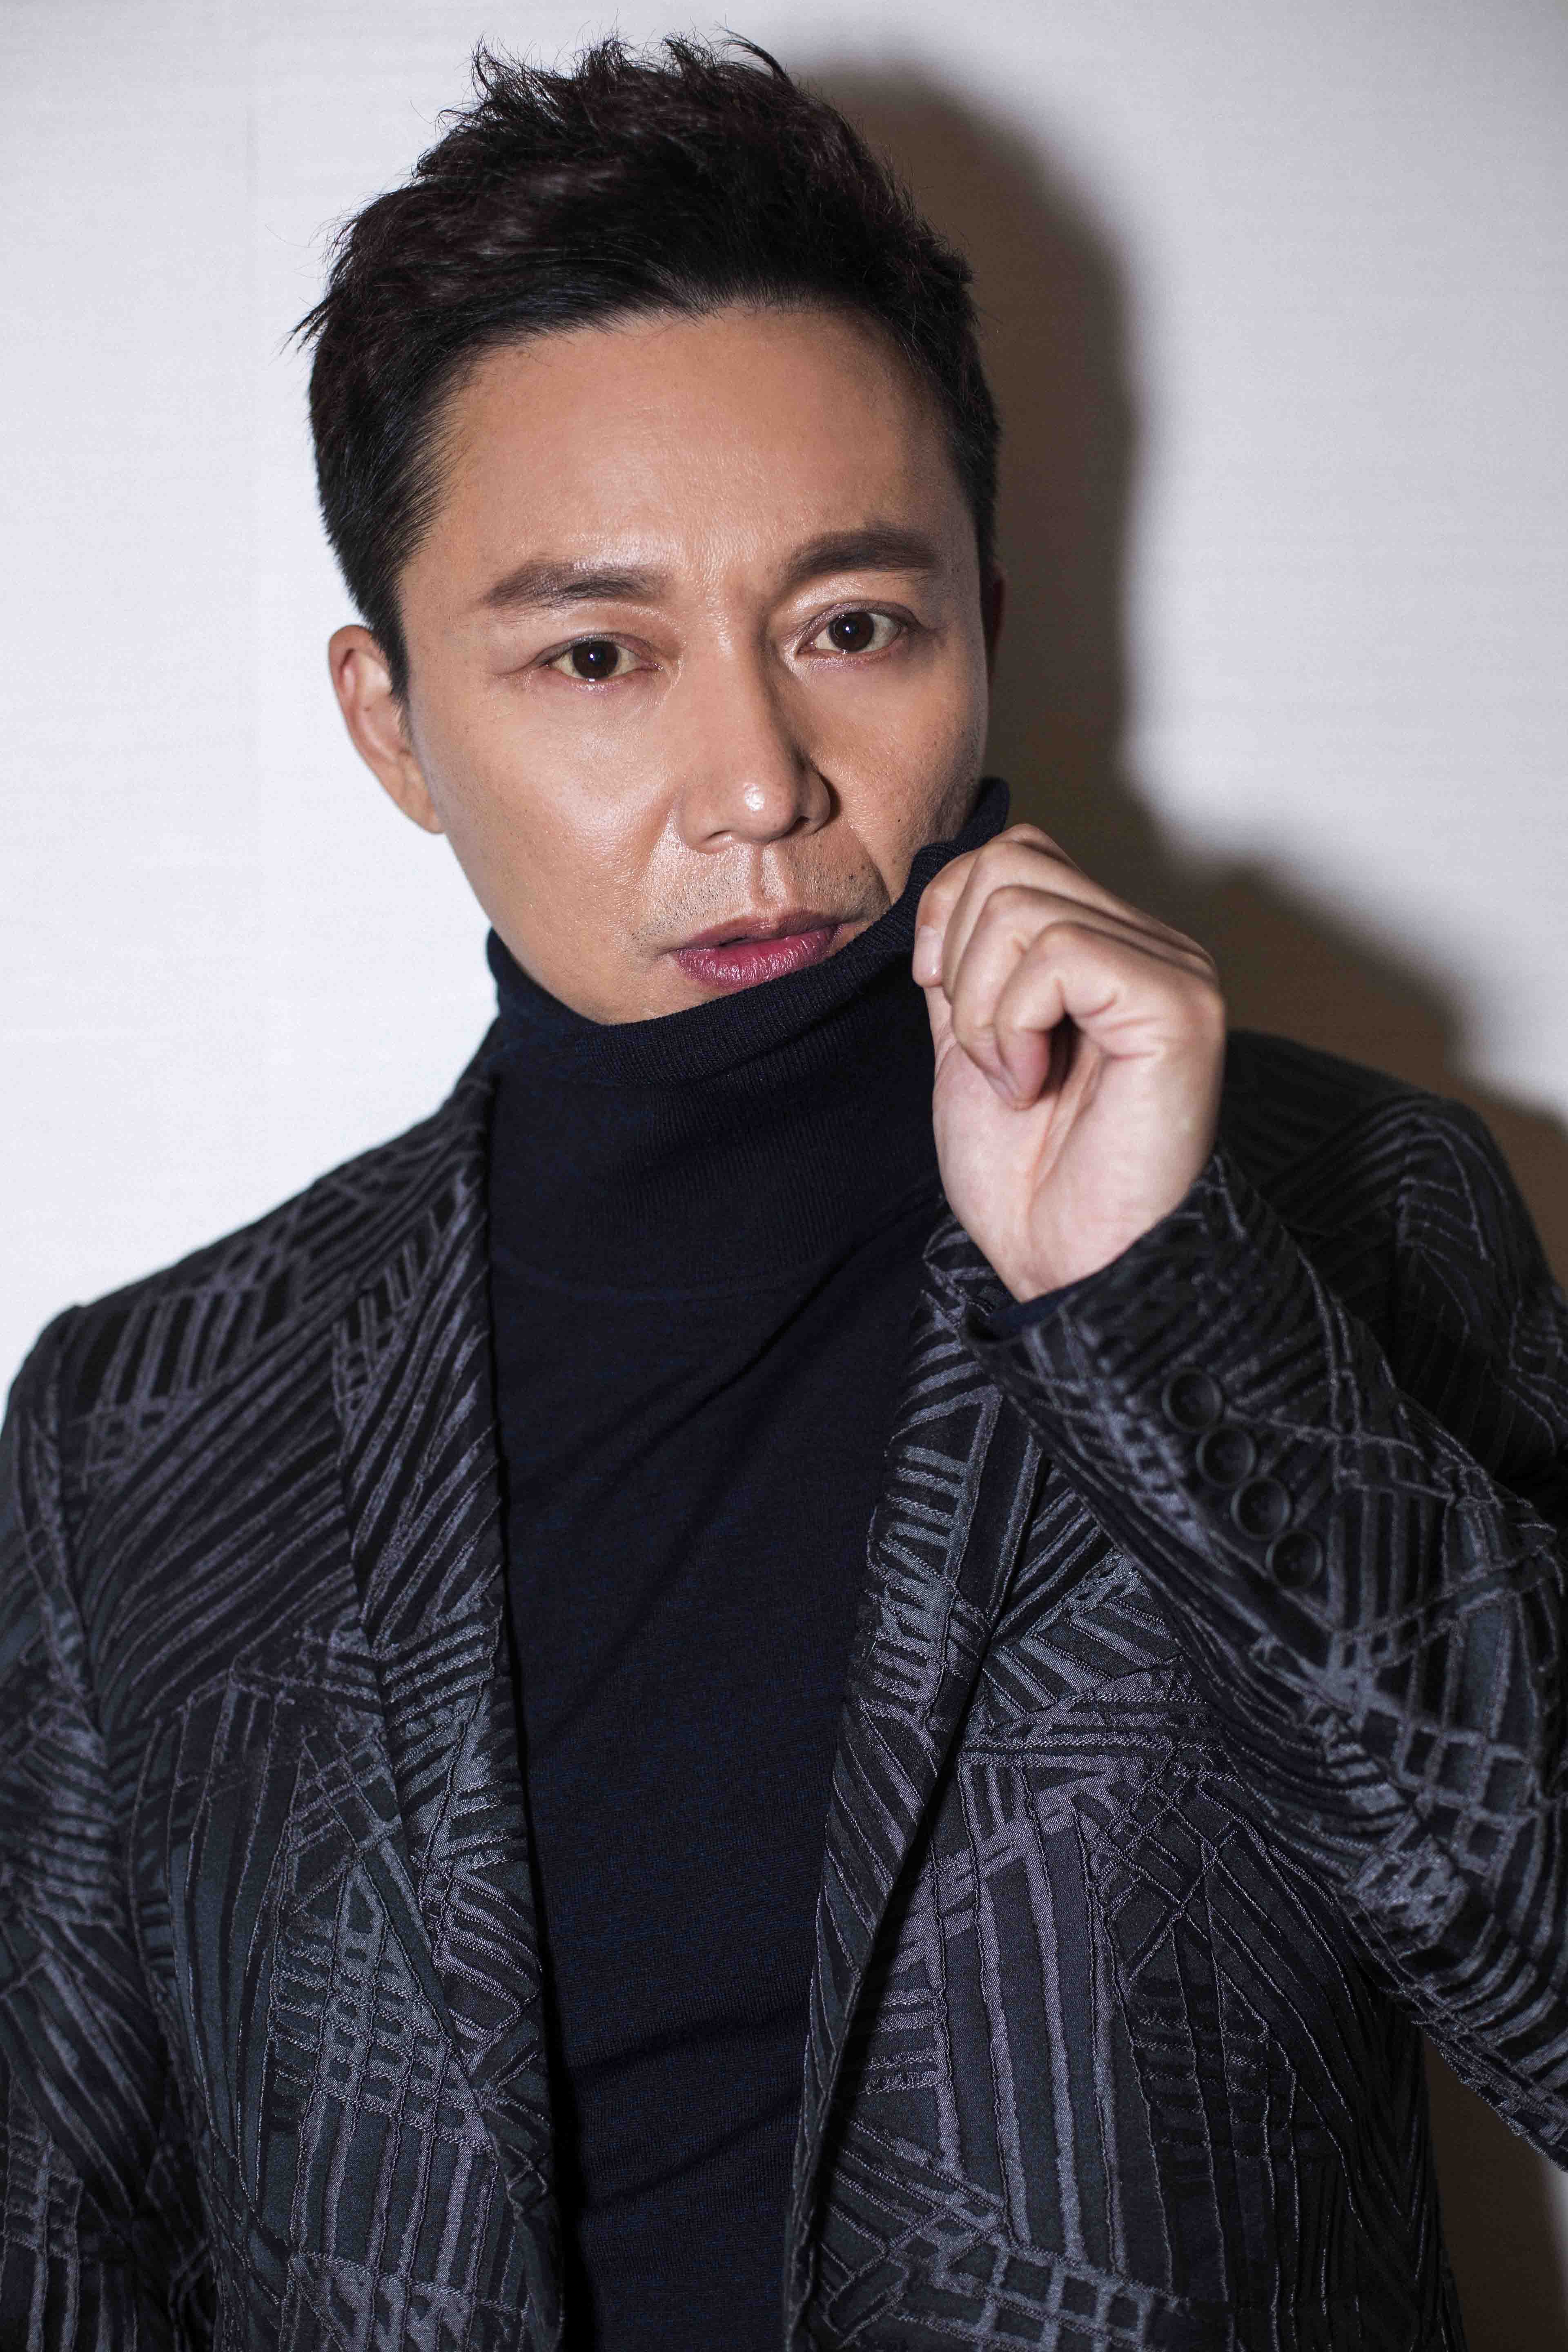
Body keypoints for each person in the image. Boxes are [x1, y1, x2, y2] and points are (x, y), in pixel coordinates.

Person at [1, 33, 1564, 2351]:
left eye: (851, 626)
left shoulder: (1348, 1214)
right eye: (597, 655)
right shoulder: (145, 1427)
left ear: (983, 628)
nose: (757, 783)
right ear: (393, 721)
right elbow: (68, 2253)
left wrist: (1161, 1309)